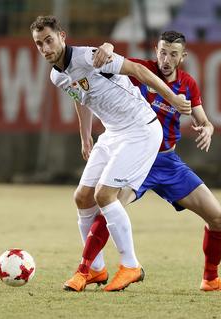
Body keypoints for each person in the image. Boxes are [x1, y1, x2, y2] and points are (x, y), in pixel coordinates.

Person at [63, 31, 221, 293]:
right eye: (163, 52)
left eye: (173, 54)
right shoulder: (142, 70)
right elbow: (107, 60)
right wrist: (108, 45)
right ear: (156, 50)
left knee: (219, 217)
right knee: (109, 203)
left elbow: (203, 120)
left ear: (183, 57)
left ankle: (210, 279)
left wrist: (208, 128)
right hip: (137, 155)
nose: (166, 59)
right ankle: (87, 270)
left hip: (168, 162)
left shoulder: (187, 84)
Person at [30, 16, 191, 292]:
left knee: (104, 195)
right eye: (39, 44)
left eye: (49, 40)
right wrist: (85, 135)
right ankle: (96, 270)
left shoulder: (90, 56)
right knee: (81, 197)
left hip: (140, 129)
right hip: (113, 133)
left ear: (62, 36)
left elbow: (139, 72)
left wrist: (172, 99)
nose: (45, 48)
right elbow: (81, 97)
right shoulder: (56, 75)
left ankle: (131, 266)